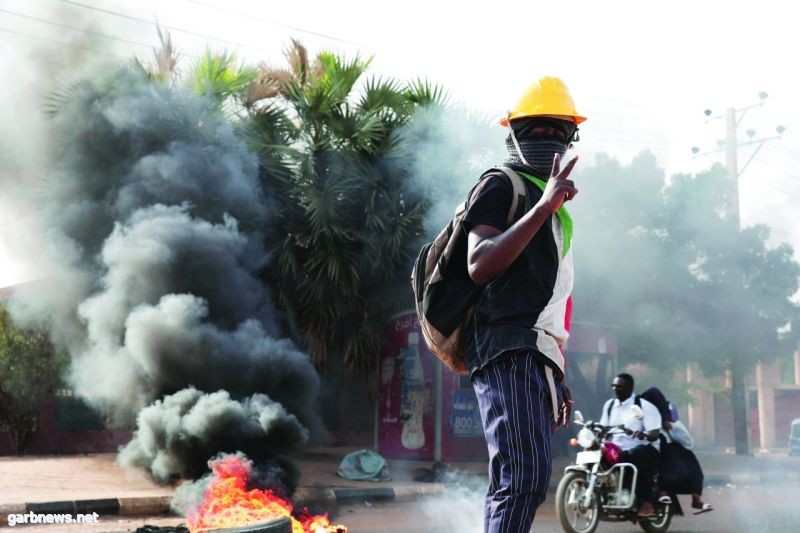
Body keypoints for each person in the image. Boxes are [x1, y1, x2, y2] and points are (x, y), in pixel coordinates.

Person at [462, 76, 584, 532]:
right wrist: (543, 207)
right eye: (538, 130)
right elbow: (479, 264)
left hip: (535, 354)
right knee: (521, 479)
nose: (549, 139)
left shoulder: (556, 211)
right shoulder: (501, 184)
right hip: (507, 346)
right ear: (513, 133)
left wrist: (556, 368)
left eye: (559, 131)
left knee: (530, 481)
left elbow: (552, 306)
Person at [640, 387, 714, 514]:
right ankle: (663, 493)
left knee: (690, 463)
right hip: (652, 445)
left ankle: (696, 499)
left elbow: (675, 429)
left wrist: (668, 425)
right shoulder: (640, 410)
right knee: (662, 464)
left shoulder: (668, 409)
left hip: (669, 444)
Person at [599, 373, 662, 517]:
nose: (615, 389)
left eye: (619, 386)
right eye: (613, 386)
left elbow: (654, 434)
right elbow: (603, 427)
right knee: (596, 453)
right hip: (617, 449)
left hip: (644, 448)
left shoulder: (644, 406)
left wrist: (642, 434)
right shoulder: (609, 405)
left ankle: (646, 501)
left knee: (634, 455)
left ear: (630, 388)